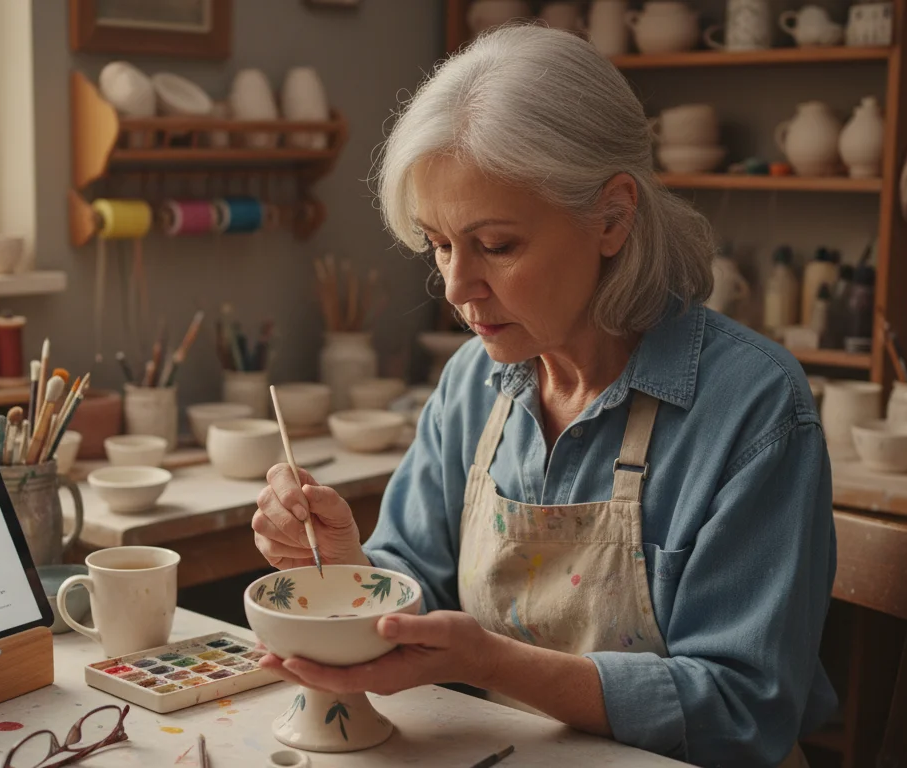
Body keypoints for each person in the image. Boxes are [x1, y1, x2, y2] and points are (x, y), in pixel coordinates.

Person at [250, 25, 837, 768]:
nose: (456, 287)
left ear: (613, 217)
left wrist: (495, 663)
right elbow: (417, 601)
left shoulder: (753, 411)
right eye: (438, 242)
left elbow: (743, 711)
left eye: (496, 245)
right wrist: (344, 565)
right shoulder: (473, 383)